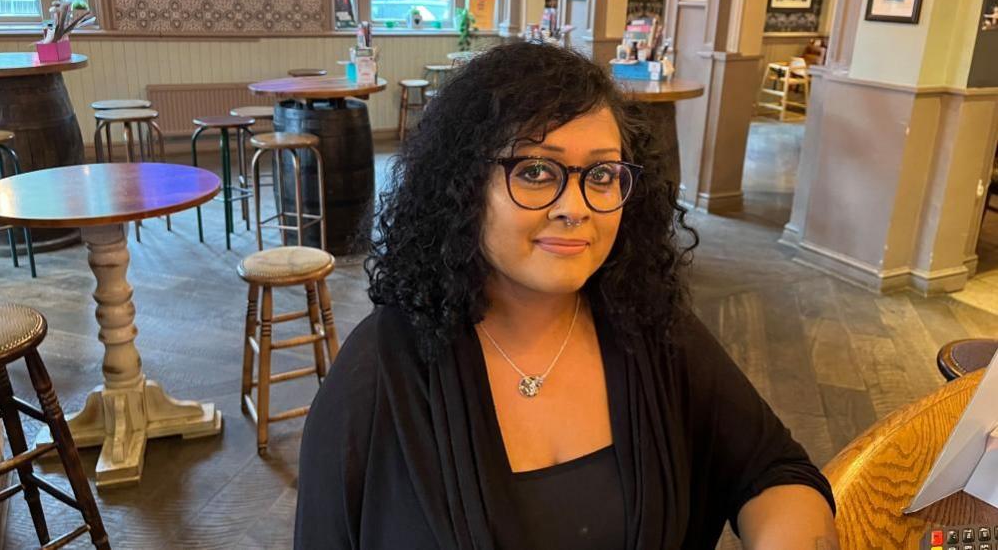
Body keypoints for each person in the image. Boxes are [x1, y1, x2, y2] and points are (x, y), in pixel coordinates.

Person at [295, 42, 838, 549]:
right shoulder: (375, 379)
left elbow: (774, 471)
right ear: (461, 188)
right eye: (535, 170)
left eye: (601, 174)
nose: (575, 206)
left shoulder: (648, 328)